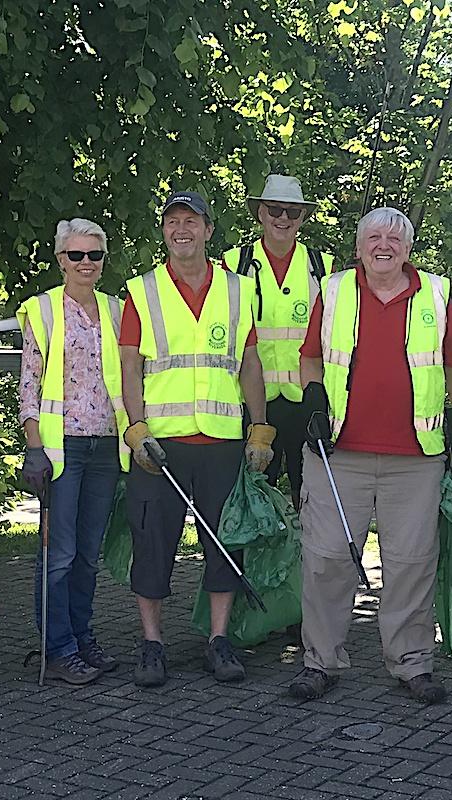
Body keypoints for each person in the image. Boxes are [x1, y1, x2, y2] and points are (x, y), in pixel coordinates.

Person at [287, 207, 452, 705]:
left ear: (409, 249)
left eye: (395, 237)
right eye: (374, 237)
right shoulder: (332, 292)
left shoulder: (436, 294)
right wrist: (312, 397)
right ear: (359, 247)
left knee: (412, 562)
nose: (384, 245)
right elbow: (310, 355)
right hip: (337, 451)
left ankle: (412, 662)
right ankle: (320, 661)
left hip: (415, 456)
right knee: (326, 558)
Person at [118, 190, 274, 688]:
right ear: (163, 231)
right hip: (158, 446)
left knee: (225, 544)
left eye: (191, 221)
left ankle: (219, 640)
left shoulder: (238, 291)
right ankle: (152, 643)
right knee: (152, 543)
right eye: (172, 221)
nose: (180, 229)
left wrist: (260, 428)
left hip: (223, 442)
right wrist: (135, 427)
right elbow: (129, 366)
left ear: (209, 231)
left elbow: (250, 363)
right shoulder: (141, 292)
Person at [17, 218, 130, 685]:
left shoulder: (119, 310)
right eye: (76, 255)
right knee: (59, 555)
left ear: (103, 262)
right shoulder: (41, 311)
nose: (86, 263)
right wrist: (33, 447)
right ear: (61, 259)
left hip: (106, 445)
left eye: (94, 255)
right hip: (61, 449)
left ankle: (83, 638)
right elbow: (28, 384)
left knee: (88, 553)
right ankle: (58, 648)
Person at [222, 175, 334, 509]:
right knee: (253, 489)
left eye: (292, 212)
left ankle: (307, 558)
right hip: (253, 398)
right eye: (274, 209)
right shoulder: (234, 263)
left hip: (308, 397)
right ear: (260, 213)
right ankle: (253, 562)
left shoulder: (322, 266)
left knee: (312, 491)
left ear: (302, 217)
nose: (282, 218)